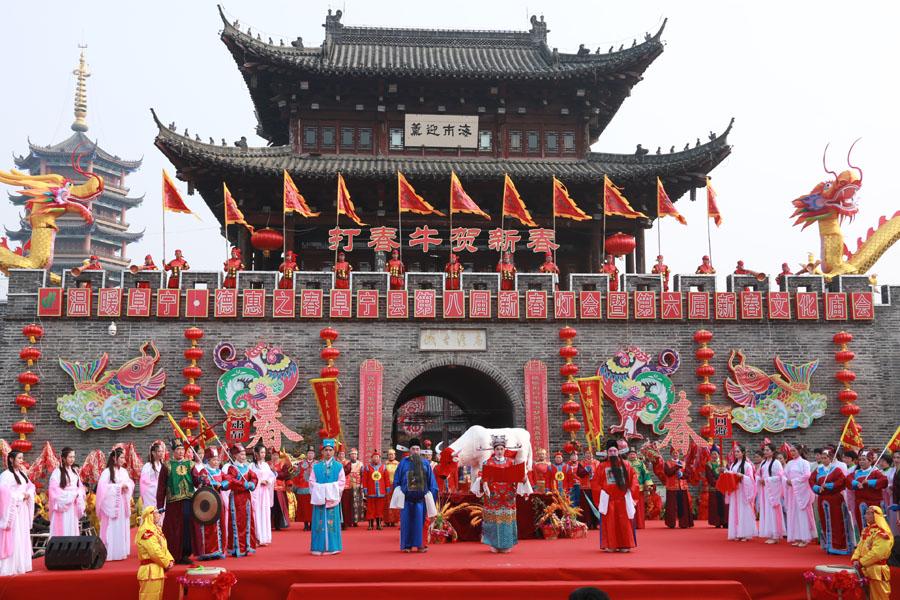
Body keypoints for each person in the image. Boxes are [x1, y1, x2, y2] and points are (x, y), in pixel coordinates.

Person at [473, 435, 529, 553]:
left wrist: (523, 478)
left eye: (501, 449)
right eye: (497, 449)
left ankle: (507, 544)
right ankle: (494, 544)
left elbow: (518, 476)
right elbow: (481, 477)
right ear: (494, 450)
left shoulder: (511, 462)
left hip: (508, 497)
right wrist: (483, 481)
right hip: (493, 497)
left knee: (506, 520)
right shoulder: (487, 462)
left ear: (504, 450)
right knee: (493, 520)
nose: (499, 451)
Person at [390, 438, 438, 552]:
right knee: (406, 523)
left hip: (421, 500)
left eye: (417, 449)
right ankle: (407, 546)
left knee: (420, 523)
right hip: (406, 499)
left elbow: (432, 483)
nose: (415, 451)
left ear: (420, 450)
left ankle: (420, 545)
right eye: (413, 449)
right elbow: (396, 480)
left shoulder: (425, 463)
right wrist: (399, 493)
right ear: (409, 450)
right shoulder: (403, 463)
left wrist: (431, 498)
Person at [156, 438, 197, 564]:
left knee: (187, 526)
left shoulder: (190, 464)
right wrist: (160, 505)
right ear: (173, 451)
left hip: (188, 500)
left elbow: (196, 481)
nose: (181, 452)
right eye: (178, 449)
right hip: (173, 502)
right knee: (174, 528)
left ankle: (185, 554)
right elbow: (161, 487)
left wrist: (202, 479)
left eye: (182, 449)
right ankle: (173, 553)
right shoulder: (167, 466)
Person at [593, 440, 637, 552]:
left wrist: (630, 492)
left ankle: (625, 545)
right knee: (610, 523)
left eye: (614, 451)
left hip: (622, 499)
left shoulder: (626, 464)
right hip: (609, 500)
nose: (612, 453)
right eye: (610, 451)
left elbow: (633, 479)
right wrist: (602, 494)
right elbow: (596, 483)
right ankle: (611, 545)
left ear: (618, 452)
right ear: (607, 453)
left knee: (624, 523)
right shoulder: (602, 466)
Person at [810, 448, 854, 554]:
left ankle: (839, 545)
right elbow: (811, 480)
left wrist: (830, 485)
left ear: (830, 458)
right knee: (824, 521)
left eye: (826, 458)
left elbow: (842, 481)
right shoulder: (818, 470)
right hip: (822, 499)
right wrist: (817, 488)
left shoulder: (836, 470)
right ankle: (828, 545)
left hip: (835, 499)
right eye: (822, 458)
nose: (823, 460)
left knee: (837, 522)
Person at [0, 450, 35, 576]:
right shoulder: (6, 476)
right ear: (11, 459)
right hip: (13, 511)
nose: (21, 460)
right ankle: (11, 566)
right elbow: (3, 495)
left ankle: (21, 565)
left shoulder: (22, 474)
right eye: (19, 458)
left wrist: (28, 494)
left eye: (22, 458)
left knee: (22, 535)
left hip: (22, 510)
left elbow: (31, 487)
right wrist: (20, 496)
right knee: (15, 536)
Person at [309, 438, 345, 555]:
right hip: (320, 499)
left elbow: (341, 482)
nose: (328, 452)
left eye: (330, 450)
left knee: (332, 523)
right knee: (318, 523)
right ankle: (318, 547)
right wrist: (321, 491)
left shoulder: (339, 466)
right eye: (326, 450)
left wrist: (328, 490)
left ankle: (333, 547)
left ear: (334, 451)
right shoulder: (316, 467)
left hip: (332, 500)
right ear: (322, 452)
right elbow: (311, 482)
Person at [97, 447, 134, 561]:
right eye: (121, 457)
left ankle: (120, 552)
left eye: (124, 457)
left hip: (121, 503)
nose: (123, 460)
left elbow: (130, 483)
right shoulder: (107, 472)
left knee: (120, 527)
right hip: (112, 505)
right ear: (114, 458)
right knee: (111, 528)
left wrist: (127, 486)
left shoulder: (124, 471)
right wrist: (118, 487)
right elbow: (102, 488)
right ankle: (109, 552)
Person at [223, 444, 258, 557]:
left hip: (246, 498)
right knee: (237, 522)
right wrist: (243, 484)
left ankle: (247, 546)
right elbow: (230, 481)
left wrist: (252, 483)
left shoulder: (247, 468)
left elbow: (254, 477)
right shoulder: (232, 468)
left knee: (247, 521)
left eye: (244, 454)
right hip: (237, 498)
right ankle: (237, 548)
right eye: (241, 454)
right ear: (235, 456)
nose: (243, 457)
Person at [852, 506, 894, 600]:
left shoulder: (883, 533)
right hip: (864, 569)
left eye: (868, 514)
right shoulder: (866, 530)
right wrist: (855, 558)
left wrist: (861, 562)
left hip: (877, 571)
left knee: (879, 597)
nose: (865, 516)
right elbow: (859, 547)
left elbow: (877, 553)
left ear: (876, 516)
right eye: (866, 513)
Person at [195, 447, 228, 560]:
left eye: (217, 460)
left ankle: (219, 549)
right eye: (214, 460)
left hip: (218, 499)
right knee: (208, 526)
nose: (216, 462)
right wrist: (211, 482)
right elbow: (202, 481)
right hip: (208, 500)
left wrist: (224, 484)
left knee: (220, 523)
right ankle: (207, 551)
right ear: (208, 460)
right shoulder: (204, 471)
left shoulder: (220, 471)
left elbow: (227, 479)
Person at [135, 506, 173, 600]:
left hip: (157, 570)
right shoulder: (146, 531)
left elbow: (163, 548)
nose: (159, 515)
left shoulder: (156, 529)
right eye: (156, 513)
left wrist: (170, 559)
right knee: (149, 597)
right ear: (150, 516)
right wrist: (166, 563)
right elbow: (154, 551)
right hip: (150, 572)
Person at [848, 450, 888, 539]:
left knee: (876, 526)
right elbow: (848, 480)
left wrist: (869, 482)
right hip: (860, 503)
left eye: (864, 459)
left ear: (870, 461)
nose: (861, 462)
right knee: (862, 526)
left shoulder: (876, 472)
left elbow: (884, 481)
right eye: (860, 459)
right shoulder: (856, 473)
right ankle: (864, 544)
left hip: (874, 503)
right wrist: (855, 483)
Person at [48, 446, 85, 537]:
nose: (72, 459)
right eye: (70, 457)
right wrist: (72, 495)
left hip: (73, 506)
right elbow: (54, 491)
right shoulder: (57, 472)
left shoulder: (74, 472)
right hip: (62, 506)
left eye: (73, 457)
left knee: (71, 529)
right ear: (63, 458)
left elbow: (80, 487)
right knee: (63, 529)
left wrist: (79, 494)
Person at [783, 443, 815, 547]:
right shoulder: (789, 463)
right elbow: (784, 475)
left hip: (802, 491)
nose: (792, 453)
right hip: (792, 491)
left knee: (802, 514)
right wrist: (787, 481)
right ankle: (797, 537)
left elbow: (807, 475)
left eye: (794, 451)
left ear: (799, 451)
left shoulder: (804, 463)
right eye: (791, 451)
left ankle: (805, 538)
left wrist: (794, 481)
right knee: (793, 513)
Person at [724, 444, 756, 541]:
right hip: (735, 491)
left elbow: (751, 480)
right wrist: (727, 473)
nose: (736, 453)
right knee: (735, 511)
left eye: (738, 451)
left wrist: (742, 476)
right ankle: (737, 533)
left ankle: (745, 534)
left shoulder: (747, 465)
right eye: (735, 452)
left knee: (743, 511)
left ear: (743, 453)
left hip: (743, 492)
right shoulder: (733, 465)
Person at [758, 442, 785, 544]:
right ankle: (770, 533)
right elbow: (758, 474)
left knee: (773, 512)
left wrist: (767, 480)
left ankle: (776, 535)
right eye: (764, 450)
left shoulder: (776, 463)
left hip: (773, 492)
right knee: (767, 511)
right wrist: (759, 479)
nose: (765, 452)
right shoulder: (763, 463)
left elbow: (780, 477)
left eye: (767, 450)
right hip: (765, 490)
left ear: (773, 452)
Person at [658, 447, 693, 529]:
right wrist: (676, 467)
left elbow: (688, 474)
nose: (675, 454)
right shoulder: (667, 463)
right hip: (672, 488)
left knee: (683, 506)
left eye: (676, 453)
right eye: (673, 453)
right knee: (671, 506)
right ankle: (671, 523)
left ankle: (684, 523)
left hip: (682, 487)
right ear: (671, 454)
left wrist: (682, 475)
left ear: (679, 454)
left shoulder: (683, 463)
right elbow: (668, 472)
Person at [249, 445, 276, 546]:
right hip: (255, 492)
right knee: (256, 513)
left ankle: (264, 538)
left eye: (264, 452)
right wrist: (260, 481)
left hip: (264, 492)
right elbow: (249, 479)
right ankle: (256, 537)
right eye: (261, 452)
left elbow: (272, 476)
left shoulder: (265, 465)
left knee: (264, 512)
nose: (263, 454)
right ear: (256, 454)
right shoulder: (251, 466)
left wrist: (268, 481)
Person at [626, 447, 652, 529]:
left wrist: (648, 485)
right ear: (628, 455)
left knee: (639, 506)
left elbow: (646, 474)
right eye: (631, 454)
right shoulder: (625, 463)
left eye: (633, 454)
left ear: (636, 455)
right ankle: (630, 524)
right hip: (628, 488)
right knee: (629, 506)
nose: (632, 456)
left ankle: (639, 524)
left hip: (639, 488)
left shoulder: (640, 464)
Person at [362, 451, 388, 530]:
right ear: (371, 458)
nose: (376, 458)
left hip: (381, 490)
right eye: (374, 457)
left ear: (379, 458)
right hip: (371, 490)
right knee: (370, 508)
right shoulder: (367, 468)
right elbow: (364, 479)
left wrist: (387, 488)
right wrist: (365, 489)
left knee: (380, 508)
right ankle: (370, 524)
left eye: (377, 457)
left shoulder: (383, 467)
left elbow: (386, 479)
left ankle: (379, 524)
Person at [292, 447, 316, 530]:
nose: (310, 455)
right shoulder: (301, 464)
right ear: (306, 454)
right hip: (302, 488)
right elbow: (296, 475)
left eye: (312, 453)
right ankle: (305, 524)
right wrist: (295, 486)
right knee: (304, 508)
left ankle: (312, 524)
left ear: (314, 455)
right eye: (309, 453)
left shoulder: (317, 464)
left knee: (312, 508)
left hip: (314, 488)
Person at [271, 450, 294, 530]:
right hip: (270, 489)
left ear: (278, 456)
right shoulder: (268, 464)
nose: (275, 456)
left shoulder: (283, 464)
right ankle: (270, 524)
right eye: (273, 455)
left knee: (279, 508)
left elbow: (285, 474)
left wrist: (275, 472)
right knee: (271, 508)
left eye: (276, 455)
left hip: (280, 489)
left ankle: (278, 525)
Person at [140, 441, 166, 514]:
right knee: (152, 513)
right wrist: (157, 486)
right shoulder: (147, 466)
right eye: (159, 451)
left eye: (162, 451)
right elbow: (144, 483)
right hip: (151, 495)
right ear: (153, 453)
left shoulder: (163, 465)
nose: (161, 453)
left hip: (162, 493)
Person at [704, 446, 727, 529]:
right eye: (712, 454)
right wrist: (717, 483)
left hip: (723, 488)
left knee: (724, 505)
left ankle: (725, 522)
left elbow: (727, 474)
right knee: (715, 505)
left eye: (716, 454)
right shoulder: (708, 464)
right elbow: (709, 477)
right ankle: (717, 522)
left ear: (718, 454)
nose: (714, 456)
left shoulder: (724, 463)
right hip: (714, 488)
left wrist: (724, 472)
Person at [384, 448, 400, 527]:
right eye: (389, 454)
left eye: (392, 454)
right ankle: (387, 520)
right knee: (387, 503)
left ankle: (394, 520)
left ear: (395, 455)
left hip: (395, 485)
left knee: (395, 502)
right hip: (386, 486)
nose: (391, 456)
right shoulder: (384, 464)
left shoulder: (398, 464)